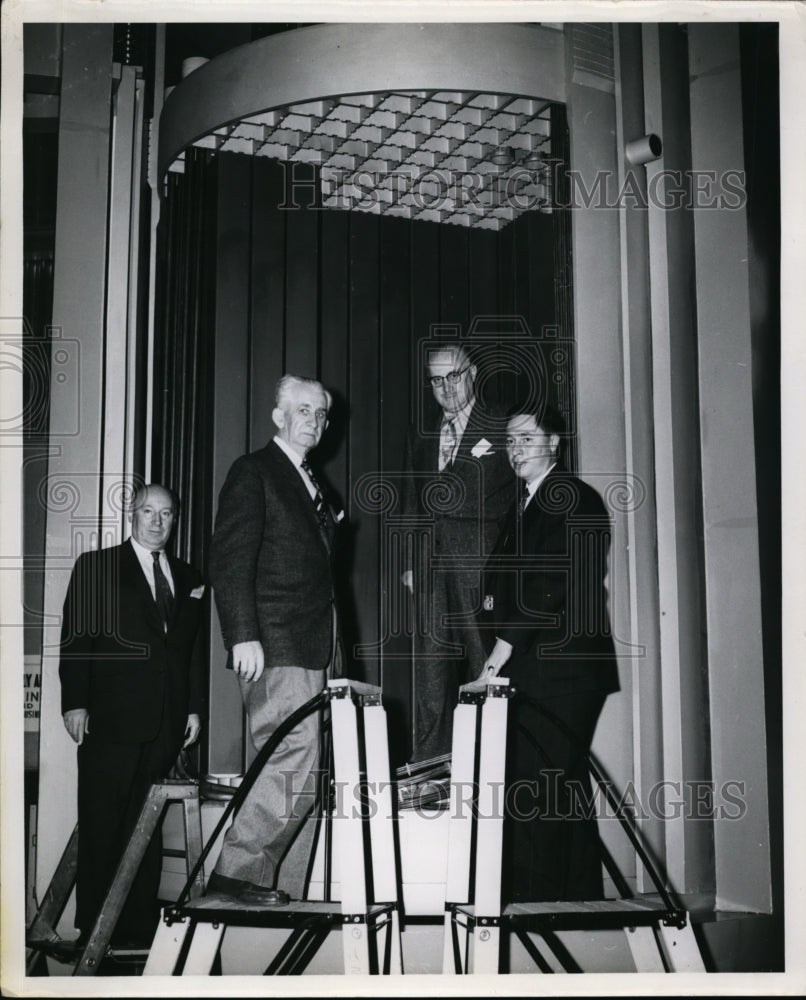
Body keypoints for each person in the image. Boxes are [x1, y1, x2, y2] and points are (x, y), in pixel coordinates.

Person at [206, 374, 343, 906]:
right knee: (298, 750)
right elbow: (230, 557)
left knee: (310, 766)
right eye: (304, 410)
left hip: (316, 646)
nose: (314, 420)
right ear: (278, 416)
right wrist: (242, 635)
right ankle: (236, 872)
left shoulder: (309, 482)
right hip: (277, 642)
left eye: (321, 413)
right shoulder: (255, 471)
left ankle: (280, 889)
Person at [478, 403, 620, 902]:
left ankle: (537, 903)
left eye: (526, 438)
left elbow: (550, 581)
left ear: (555, 442)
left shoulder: (570, 497)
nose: (515, 449)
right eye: (510, 441)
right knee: (560, 783)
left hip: (562, 671)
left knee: (540, 785)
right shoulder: (529, 503)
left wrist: (502, 646)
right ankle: (580, 900)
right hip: (543, 669)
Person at [59, 483, 205, 946]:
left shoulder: (190, 576)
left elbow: (190, 652)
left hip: (166, 722)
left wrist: (195, 707)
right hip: (111, 718)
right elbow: (77, 636)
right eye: (148, 511)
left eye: (166, 513)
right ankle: (92, 932)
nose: (157, 521)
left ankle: (137, 930)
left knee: (147, 826)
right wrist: (74, 701)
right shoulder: (97, 566)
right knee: (104, 822)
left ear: (174, 520)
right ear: (132, 515)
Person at [401, 342, 515, 762]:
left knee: (484, 668)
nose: (446, 388)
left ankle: (489, 769)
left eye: (454, 376)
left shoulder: (502, 422)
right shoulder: (421, 436)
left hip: (481, 567)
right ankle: (431, 769)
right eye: (436, 380)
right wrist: (411, 566)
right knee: (430, 675)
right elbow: (411, 503)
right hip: (431, 572)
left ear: (473, 373)